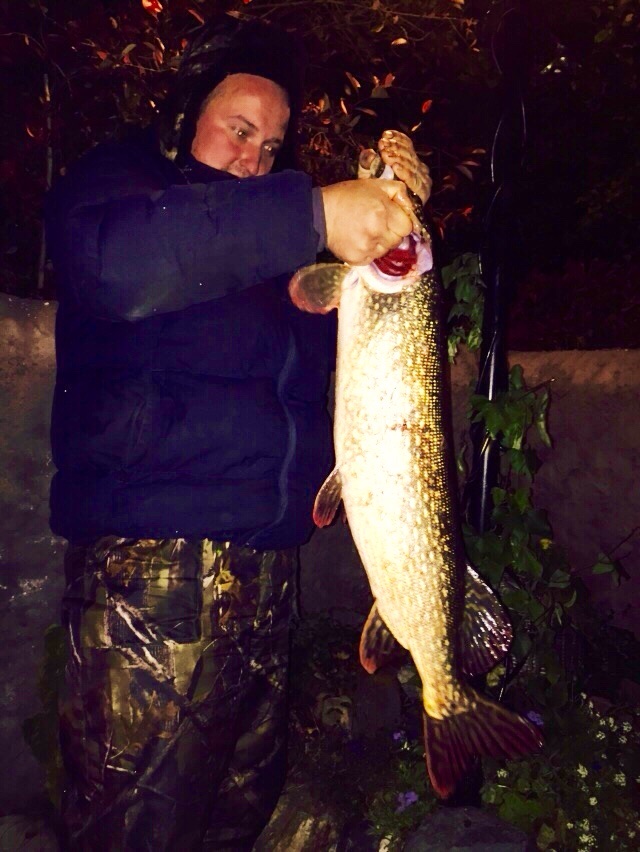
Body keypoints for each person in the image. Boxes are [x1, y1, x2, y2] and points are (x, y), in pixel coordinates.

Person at [45, 15, 431, 851]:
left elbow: (370, 348)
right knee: (132, 835)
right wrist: (313, 212)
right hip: (153, 579)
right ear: (188, 115)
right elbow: (115, 264)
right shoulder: (123, 186)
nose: (257, 158)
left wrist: (395, 231)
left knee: (232, 825)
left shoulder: (274, 249)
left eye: (274, 144)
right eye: (240, 129)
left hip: (268, 580)